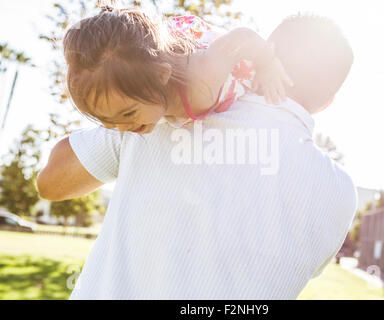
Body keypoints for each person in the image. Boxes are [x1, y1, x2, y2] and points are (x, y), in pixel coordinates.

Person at [37, 13, 356, 299]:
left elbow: (51, 183)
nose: (122, 125)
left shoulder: (160, 112)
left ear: (258, 59)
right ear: (328, 101)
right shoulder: (340, 194)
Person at [63, 5, 293, 133]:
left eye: (128, 114)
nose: (122, 129)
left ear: (162, 75)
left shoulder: (202, 80)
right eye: (108, 122)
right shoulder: (133, 92)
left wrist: (268, 63)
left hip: (212, 52)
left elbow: (242, 38)